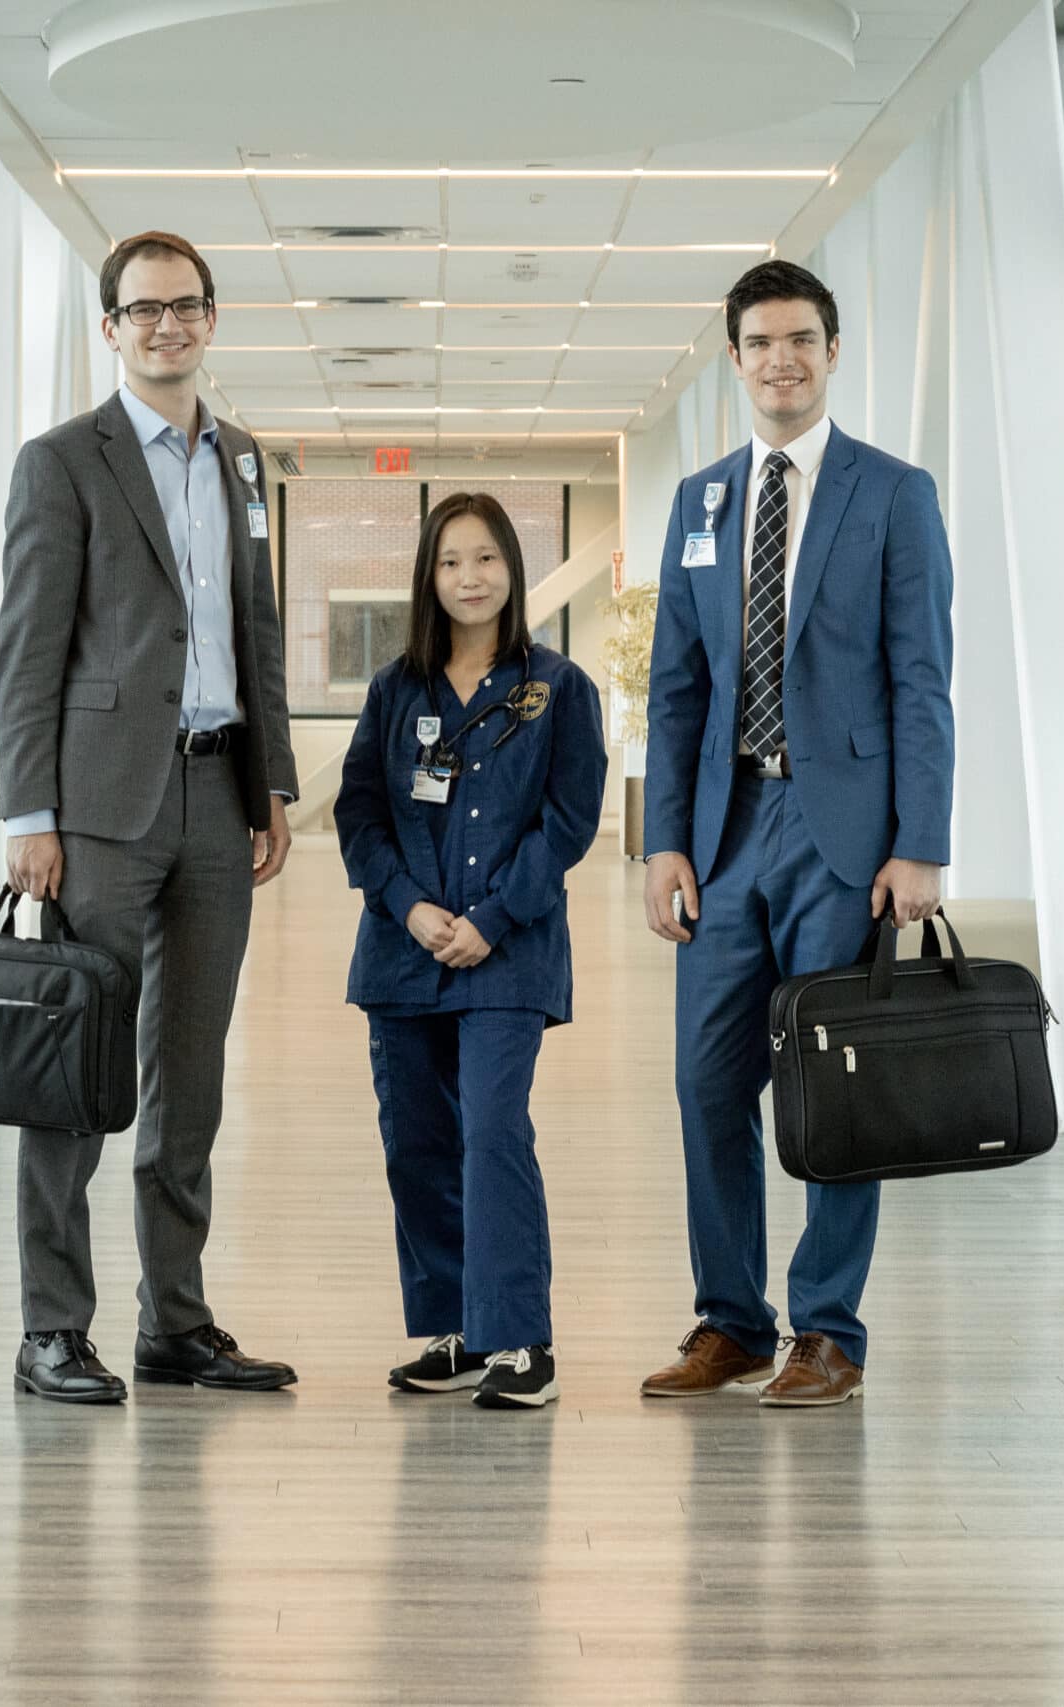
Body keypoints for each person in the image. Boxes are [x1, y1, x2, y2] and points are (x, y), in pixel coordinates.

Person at [638, 260, 957, 1408]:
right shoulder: (701, 501)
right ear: (734, 358)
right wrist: (660, 839)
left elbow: (922, 679)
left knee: (835, 1089)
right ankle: (728, 1321)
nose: (781, 359)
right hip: (724, 831)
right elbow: (676, 687)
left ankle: (828, 1332)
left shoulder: (892, 493)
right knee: (706, 1083)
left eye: (802, 341)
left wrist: (921, 841)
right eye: (761, 341)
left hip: (843, 834)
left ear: (832, 354)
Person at [0, 229, 301, 1405]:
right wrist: (29, 810)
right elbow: (27, 649)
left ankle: (175, 1321)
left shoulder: (244, 461)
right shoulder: (63, 461)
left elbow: (258, 632)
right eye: (143, 311)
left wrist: (273, 778)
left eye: (186, 307)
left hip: (219, 797)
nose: (166, 327)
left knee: (191, 1075)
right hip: (101, 808)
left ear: (212, 320)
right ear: (110, 328)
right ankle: (50, 1329)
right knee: (78, 1071)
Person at [335, 493, 607, 1411]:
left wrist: (491, 918)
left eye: (486, 559)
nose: (470, 578)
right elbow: (360, 817)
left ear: (513, 572)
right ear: (429, 576)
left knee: (492, 1132)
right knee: (417, 1142)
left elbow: (568, 823)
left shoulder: (559, 689)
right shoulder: (392, 691)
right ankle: (456, 1330)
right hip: (403, 953)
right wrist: (411, 910)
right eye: (451, 561)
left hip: (508, 951)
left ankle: (522, 1339)